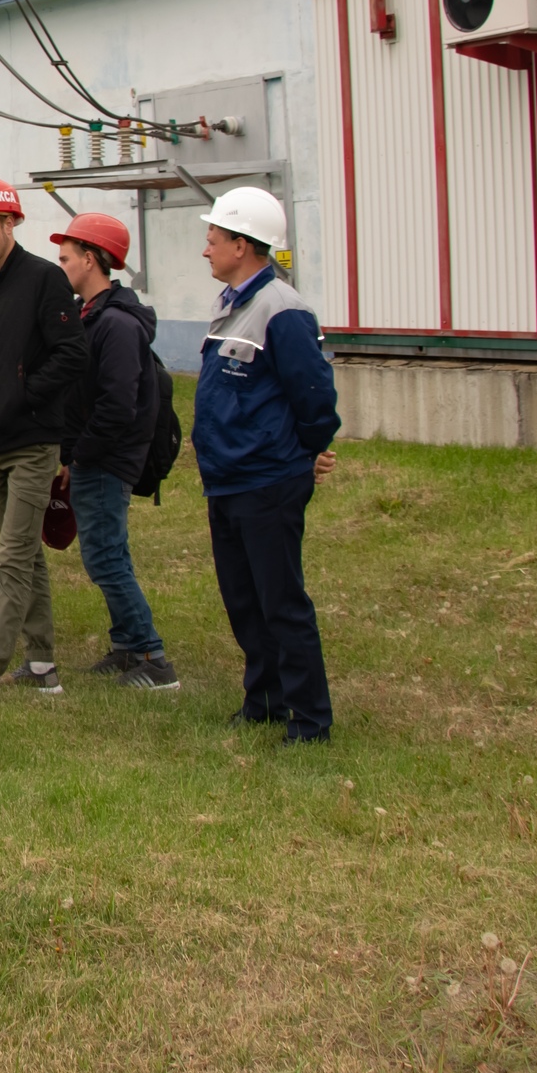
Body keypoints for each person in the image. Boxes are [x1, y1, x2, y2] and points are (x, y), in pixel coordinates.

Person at [194, 186, 341, 743]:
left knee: (281, 601)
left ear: (242, 244)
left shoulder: (283, 309)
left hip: (266, 481)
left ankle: (309, 718)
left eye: (213, 240)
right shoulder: (231, 303)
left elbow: (313, 396)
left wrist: (304, 454)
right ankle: (266, 697)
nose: (206, 251)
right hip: (228, 480)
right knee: (244, 599)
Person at [0, 175, 91, 706]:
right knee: (26, 559)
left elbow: (72, 354)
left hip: (32, 445)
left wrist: (24, 394)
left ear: (10, 224)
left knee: (10, 560)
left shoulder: (44, 280)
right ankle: (42, 664)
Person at [50, 210, 179, 690]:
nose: (59, 266)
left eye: (65, 258)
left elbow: (117, 404)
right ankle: (127, 645)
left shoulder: (117, 325)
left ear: (90, 259)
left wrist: (80, 454)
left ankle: (152, 656)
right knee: (106, 553)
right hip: (93, 455)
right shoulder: (92, 317)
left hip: (107, 459)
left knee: (105, 557)